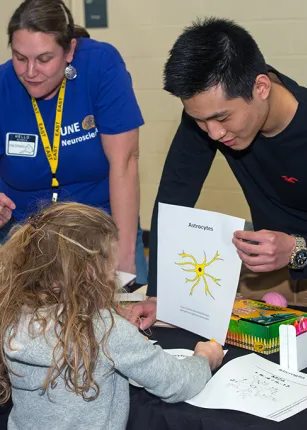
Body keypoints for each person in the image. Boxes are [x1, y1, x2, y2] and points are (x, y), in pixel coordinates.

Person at [130, 17, 307, 328]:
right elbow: (174, 197)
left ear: (261, 87)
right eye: (199, 120)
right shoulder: (209, 116)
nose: (213, 133)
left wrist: (298, 248)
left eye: (222, 118)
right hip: (272, 274)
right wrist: (161, 295)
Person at [0, 202, 224, 429]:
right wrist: (205, 359)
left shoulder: (11, 312)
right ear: (90, 272)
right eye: (109, 261)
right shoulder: (104, 330)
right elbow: (176, 383)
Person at [0, 0, 147, 284]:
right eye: (20, 58)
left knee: (124, 314)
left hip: (102, 229)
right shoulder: (3, 85)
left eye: (44, 59)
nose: (30, 72)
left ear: (69, 50)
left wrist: (125, 261)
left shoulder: (101, 65)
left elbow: (125, 162)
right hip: (24, 234)